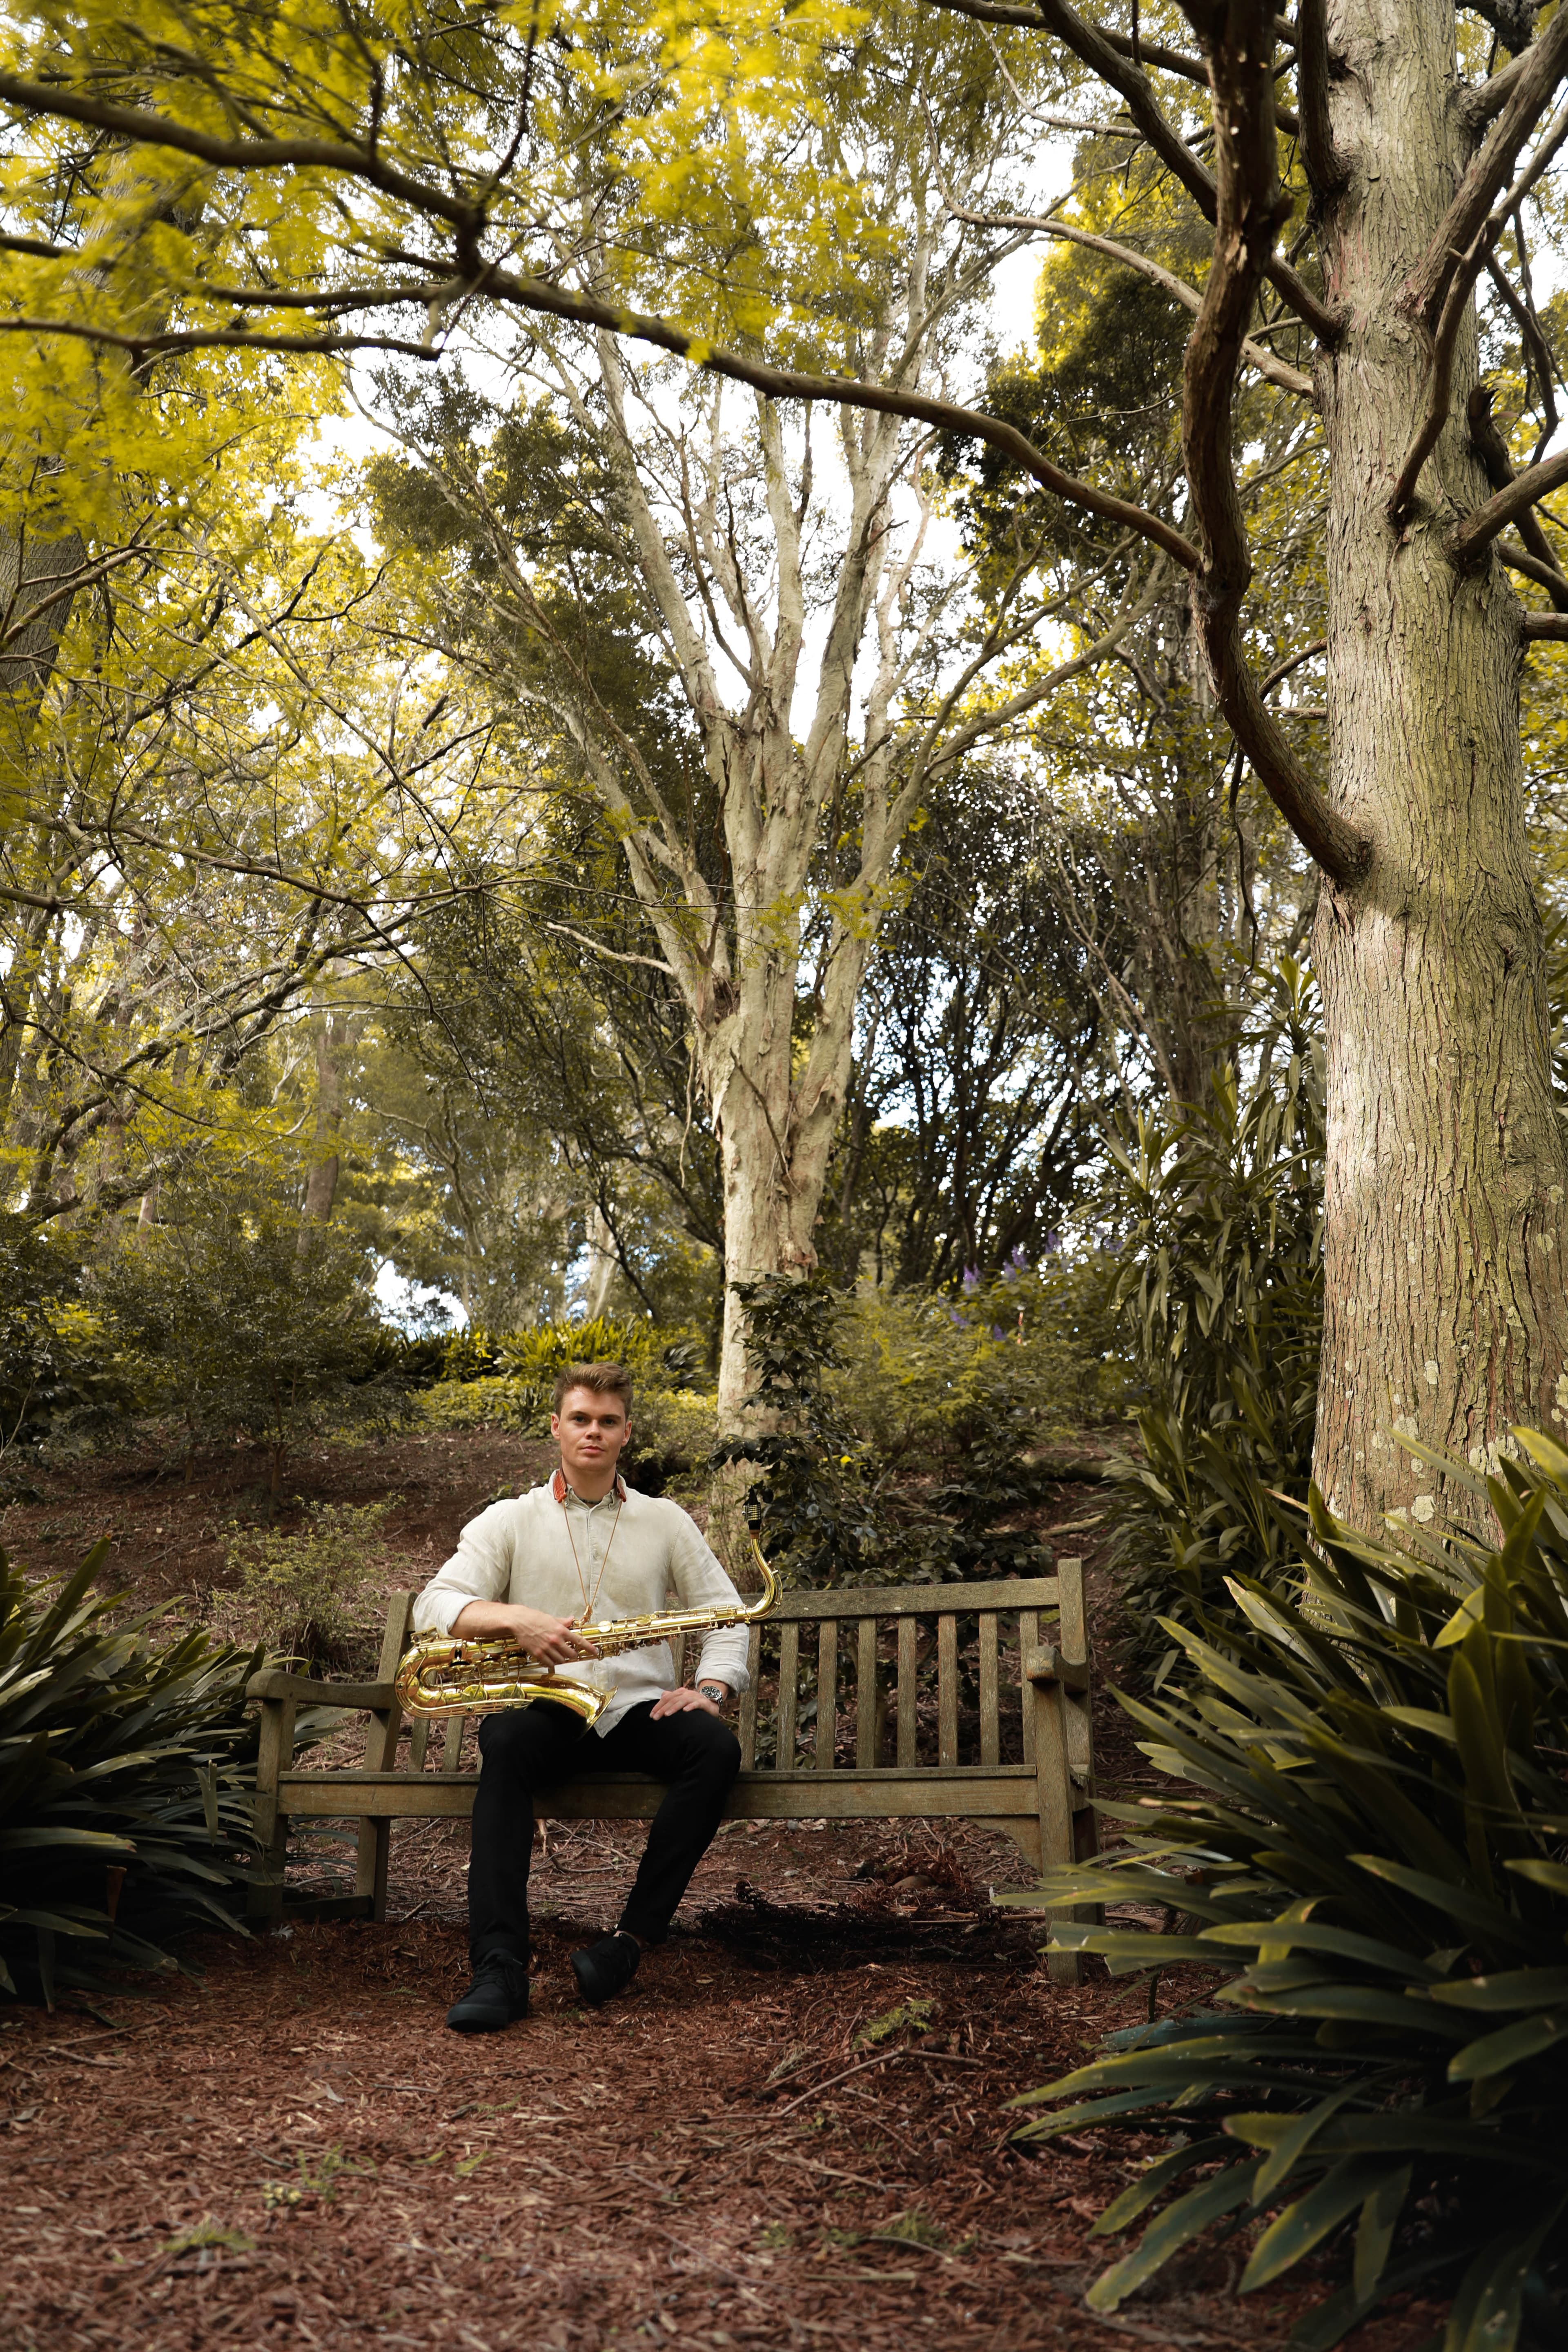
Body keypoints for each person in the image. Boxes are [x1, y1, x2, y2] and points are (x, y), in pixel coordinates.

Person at [412, 1359, 747, 2033]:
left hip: (636, 1710)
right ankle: (500, 1966)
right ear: (557, 1428)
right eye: (580, 1419)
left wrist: (711, 1688)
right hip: (551, 1706)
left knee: (713, 1748)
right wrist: (516, 1620)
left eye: (608, 1421)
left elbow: (725, 1614)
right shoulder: (509, 1519)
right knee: (503, 1739)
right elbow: (436, 1605)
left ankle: (627, 1946)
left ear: (627, 1433)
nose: (593, 1432)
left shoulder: (666, 1521)